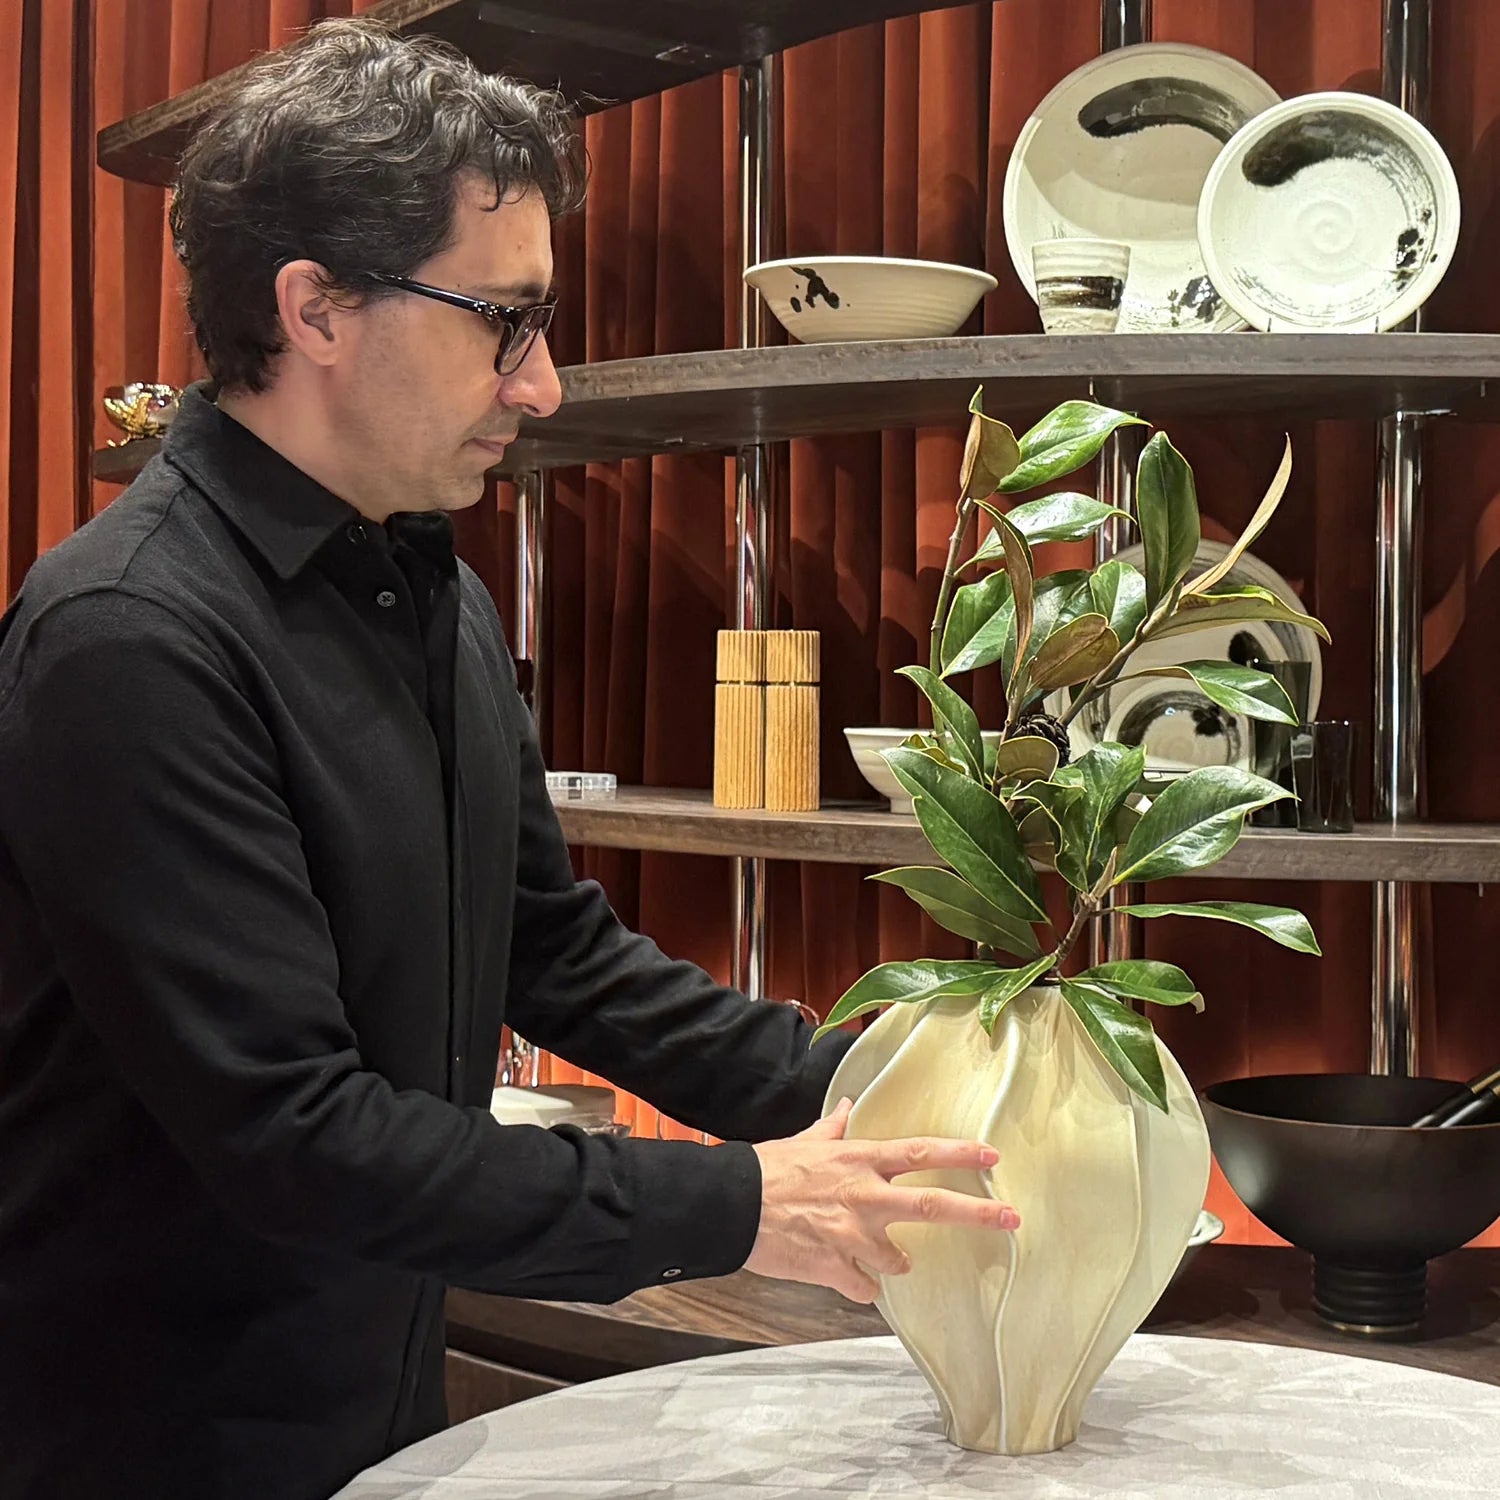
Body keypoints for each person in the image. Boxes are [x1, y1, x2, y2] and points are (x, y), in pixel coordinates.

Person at [0, 18, 1019, 1500]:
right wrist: (742, 1203)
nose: (542, 386)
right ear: (316, 308)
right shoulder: (128, 639)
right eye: (504, 322)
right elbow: (297, 1134)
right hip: (150, 1442)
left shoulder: (433, 590)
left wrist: (884, 1084)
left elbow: (553, 950)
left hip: (383, 1411)